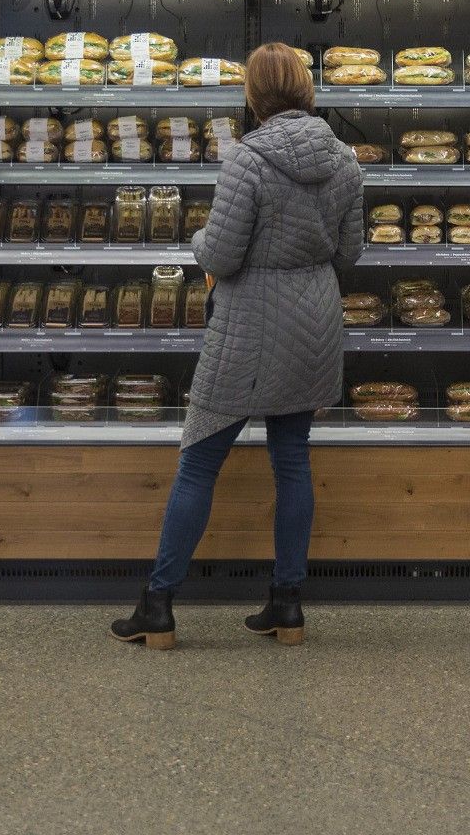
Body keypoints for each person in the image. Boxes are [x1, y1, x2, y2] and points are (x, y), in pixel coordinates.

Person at [112, 42, 363, 650]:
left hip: (251, 324)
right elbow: (349, 253)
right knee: (293, 462)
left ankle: (160, 605)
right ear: (305, 89)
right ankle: (287, 606)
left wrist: (199, 240)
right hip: (314, 321)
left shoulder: (246, 160)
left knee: (200, 458)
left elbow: (221, 254)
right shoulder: (346, 161)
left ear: (254, 97)